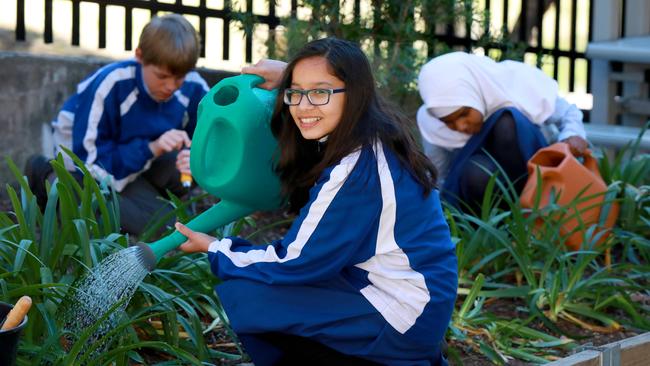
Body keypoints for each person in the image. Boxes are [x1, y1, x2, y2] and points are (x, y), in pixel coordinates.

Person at [174, 38, 458, 365]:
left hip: (402, 321)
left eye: (320, 92)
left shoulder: (356, 170)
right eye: (295, 92)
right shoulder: (371, 139)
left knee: (250, 293)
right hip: (412, 304)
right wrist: (291, 79)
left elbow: (296, 260)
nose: (303, 107)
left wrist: (215, 247)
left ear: (355, 95)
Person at [25, 14, 210, 235]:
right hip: (87, 166)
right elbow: (89, 162)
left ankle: (135, 201)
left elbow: (207, 139)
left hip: (136, 162)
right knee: (155, 227)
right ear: (139, 56)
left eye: (179, 78)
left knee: (168, 220)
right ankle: (47, 174)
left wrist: (191, 156)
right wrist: (151, 148)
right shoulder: (110, 84)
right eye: (162, 76)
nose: (171, 86)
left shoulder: (193, 86)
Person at [416, 52, 588, 210]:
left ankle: (538, 205)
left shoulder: (513, 82)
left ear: (474, 92)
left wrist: (573, 134)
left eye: (464, 114)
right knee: (477, 171)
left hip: (534, 174)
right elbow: (438, 173)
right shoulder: (431, 123)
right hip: (480, 193)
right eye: (449, 122)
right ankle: (500, 229)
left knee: (506, 121)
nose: (461, 126)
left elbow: (568, 113)